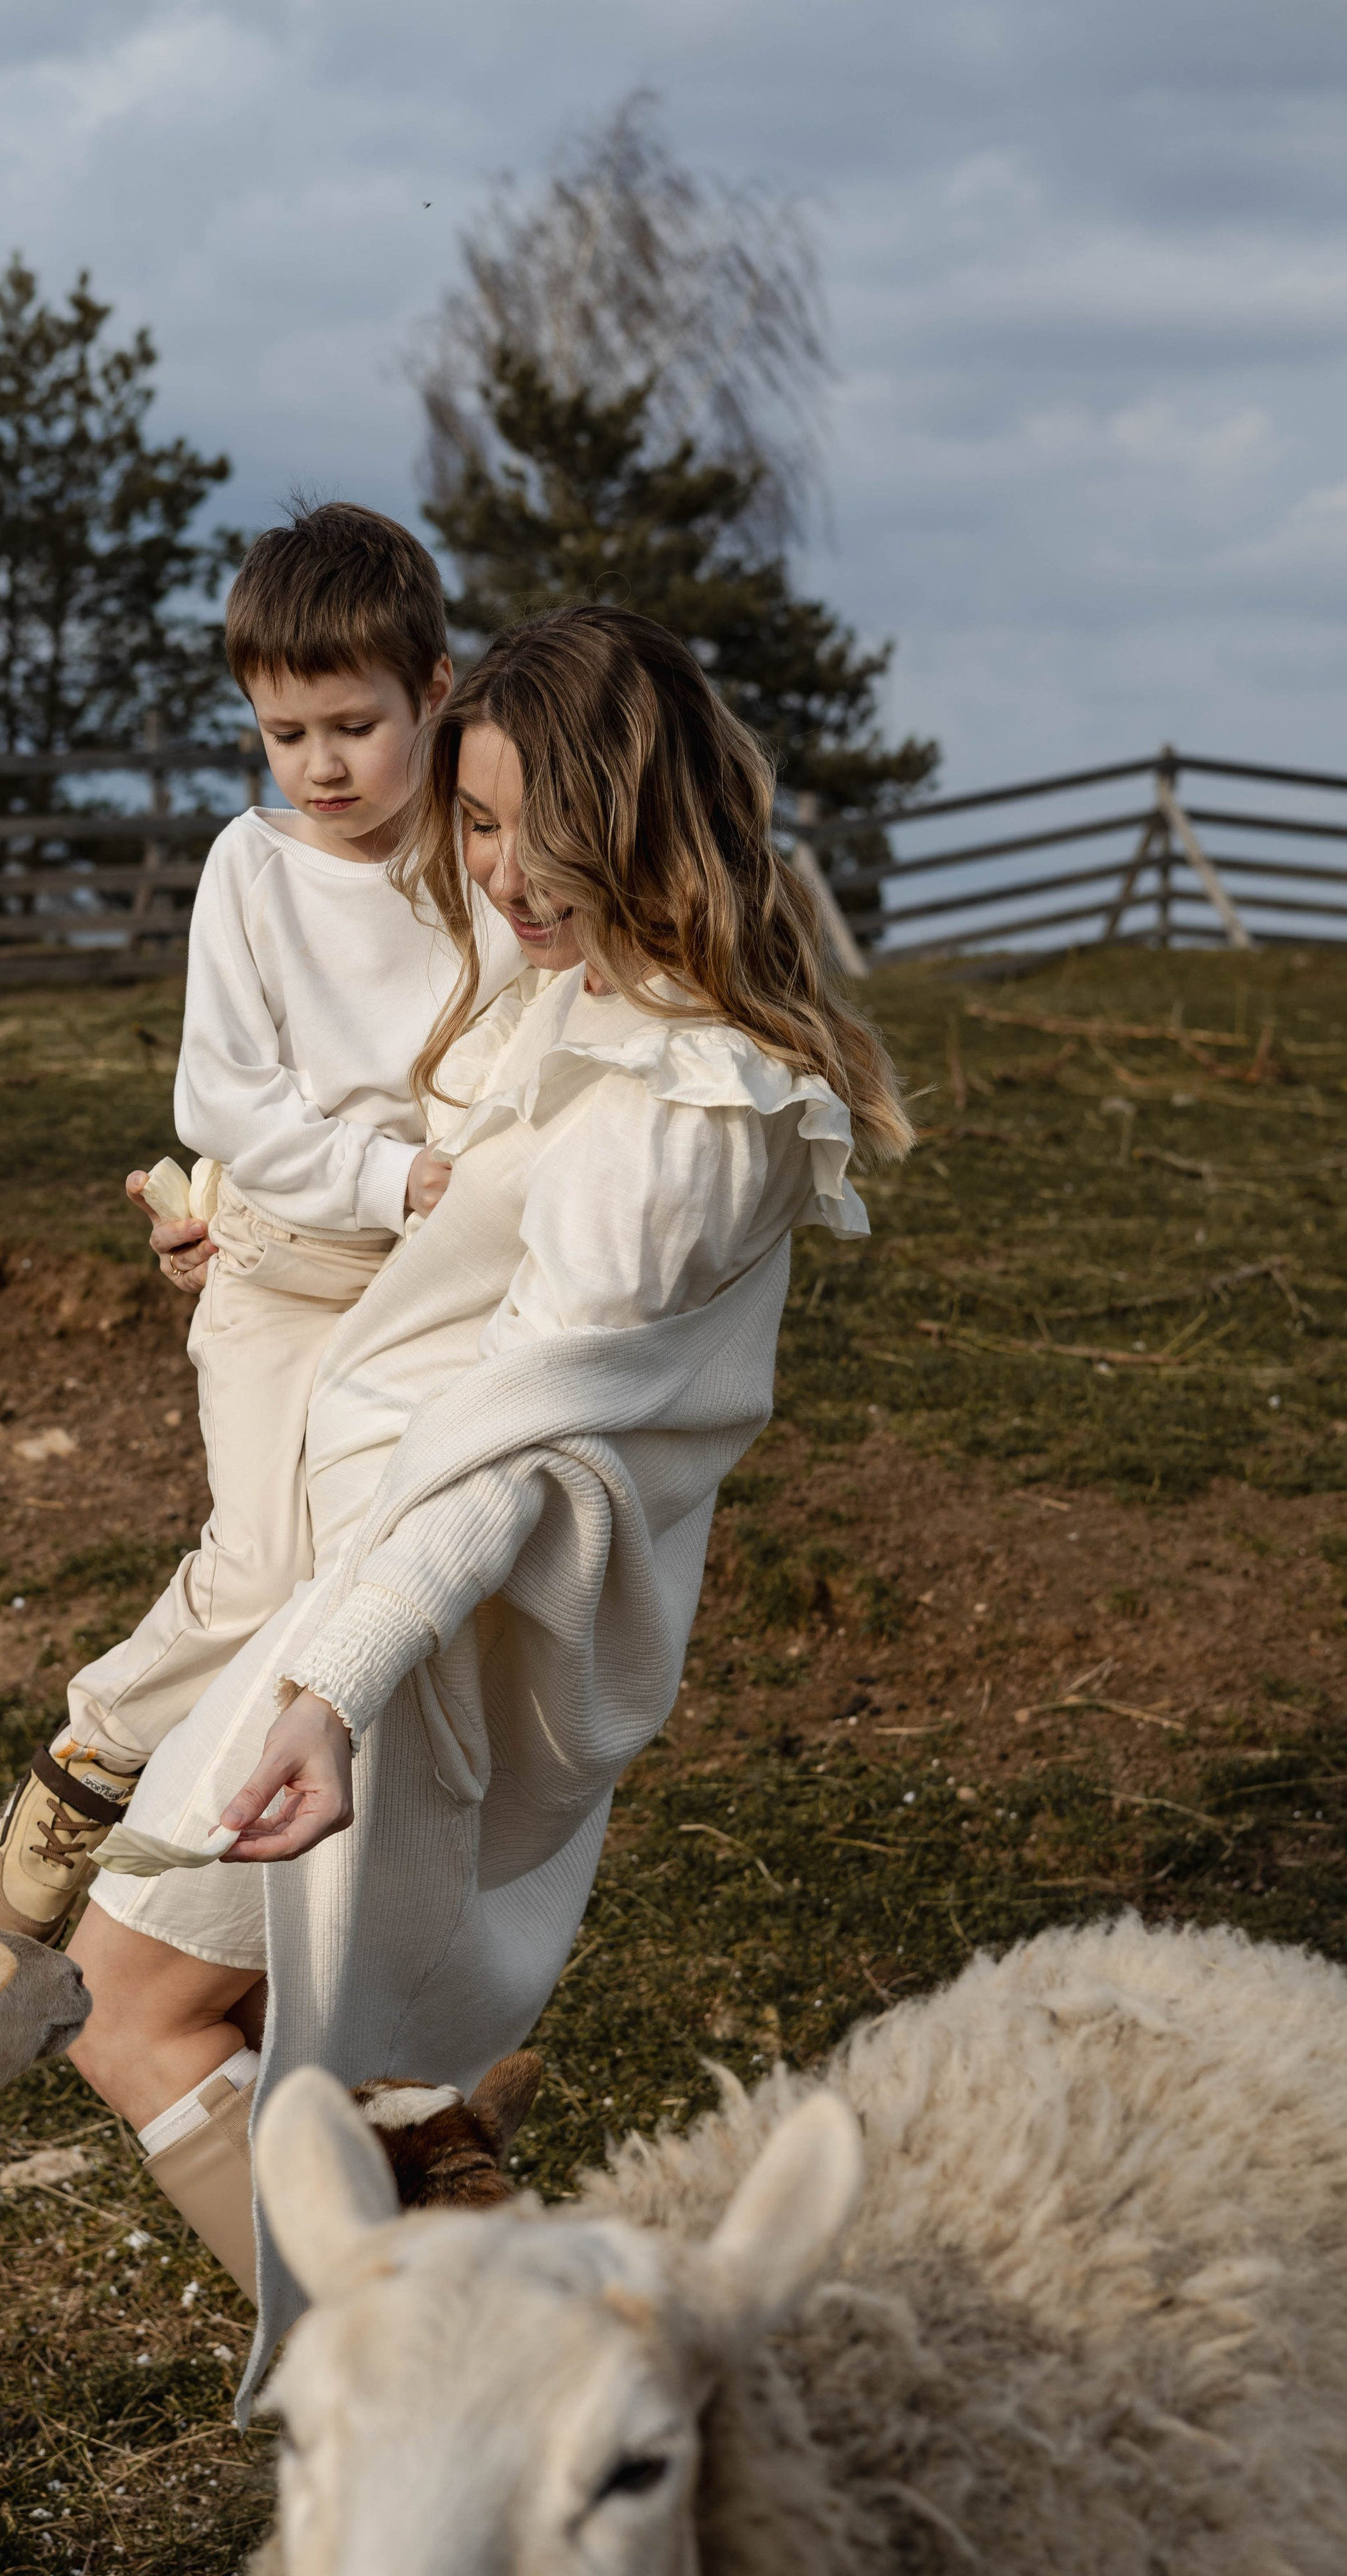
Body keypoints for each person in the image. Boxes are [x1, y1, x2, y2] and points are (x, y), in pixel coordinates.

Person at [66, 606, 912, 2372]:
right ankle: (471, 2311)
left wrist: (332, 1684)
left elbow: (520, 1442)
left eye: (540, 822)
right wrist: (244, 1245)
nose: (501, 870)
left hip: (416, 1631)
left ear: (637, 810)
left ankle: (432, 2390)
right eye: (473, 818)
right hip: (362, 1592)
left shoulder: (681, 1111)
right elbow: (439, 1242)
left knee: (136, 2009)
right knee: (269, 2038)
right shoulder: (578, 1004)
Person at [0, 500, 517, 1963]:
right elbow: (224, 1095)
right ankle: (92, 1759)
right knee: (262, 1568)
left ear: (435, 690)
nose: (321, 766)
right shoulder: (252, 871)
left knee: (372, 1593)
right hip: (280, 1273)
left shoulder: (485, 865)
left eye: (353, 724)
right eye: (284, 733)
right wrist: (392, 1176)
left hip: (430, 1289)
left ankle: (314, 1924)